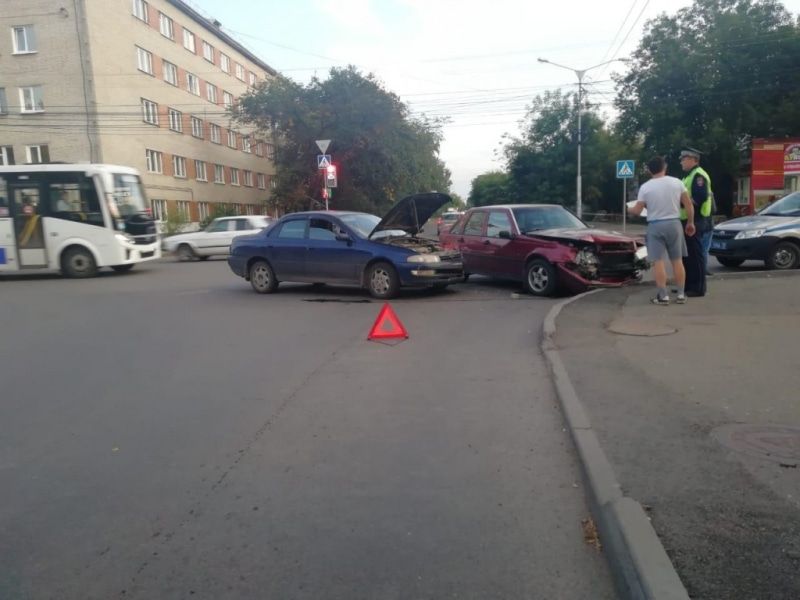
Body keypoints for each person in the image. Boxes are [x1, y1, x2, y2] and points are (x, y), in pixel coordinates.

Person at [628, 155, 696, 305]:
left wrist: (629, 209)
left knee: (658, 262)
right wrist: (690, 223)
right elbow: (688, 205)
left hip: (655, 226)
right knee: (677, 261)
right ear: (664, 167)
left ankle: (663, 296)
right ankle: (680, 295)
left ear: (649, 170)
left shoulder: (645, 187)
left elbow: (638, 211)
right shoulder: (677, 183)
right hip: (674, 224)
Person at [680, 147, 714, 284]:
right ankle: (688, 285)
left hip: (696, 220)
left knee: (695, 256)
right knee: (688, 256)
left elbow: (700, 197)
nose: (681, 162)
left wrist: (683, 205)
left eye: (683, 159)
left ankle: (697, 287)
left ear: (692, 159)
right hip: (689, 220)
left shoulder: (698, 175)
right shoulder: (689, 175)